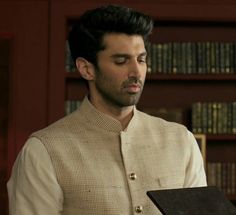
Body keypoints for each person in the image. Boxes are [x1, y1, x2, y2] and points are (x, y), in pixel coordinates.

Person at [7, 5, 207, 215]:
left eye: (141, 59)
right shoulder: (43, 152)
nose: (136, 71)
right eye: (121, 61)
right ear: (86, 68)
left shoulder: (181, 141)